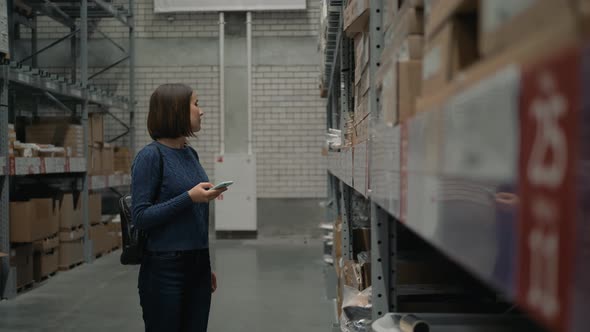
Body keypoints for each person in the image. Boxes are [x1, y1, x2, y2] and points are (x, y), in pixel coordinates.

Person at [131, 83, 227, 332]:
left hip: (197, 264)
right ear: (175, 111)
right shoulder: (150, 157)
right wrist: (189, 197)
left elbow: (195, 217)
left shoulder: (189, 154)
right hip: (165, 268)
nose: (201, 111)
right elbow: (140, 216)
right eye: (196, 104)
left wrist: (204, 266)